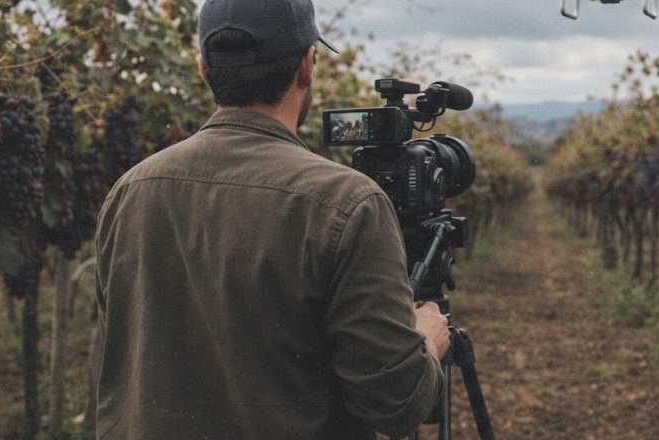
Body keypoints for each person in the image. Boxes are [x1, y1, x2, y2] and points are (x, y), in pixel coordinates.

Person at [92, 0, 449, 438]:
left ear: (203, 68)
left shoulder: (130, 190)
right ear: (307, 65)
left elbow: (115, 362)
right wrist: (427, 339)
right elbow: (395, 404)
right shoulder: (347, 202)